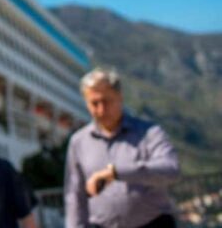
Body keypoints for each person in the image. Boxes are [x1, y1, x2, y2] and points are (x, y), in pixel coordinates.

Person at [65, 68, 181, 228]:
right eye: (94, 103)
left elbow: (171, 169)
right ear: (86, 103)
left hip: (153, 223)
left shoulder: (149, 132)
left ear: (120, 97)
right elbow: (75, 195)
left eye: (106, 101)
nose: (101, 110)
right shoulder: (78, 142)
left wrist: (116, 173)